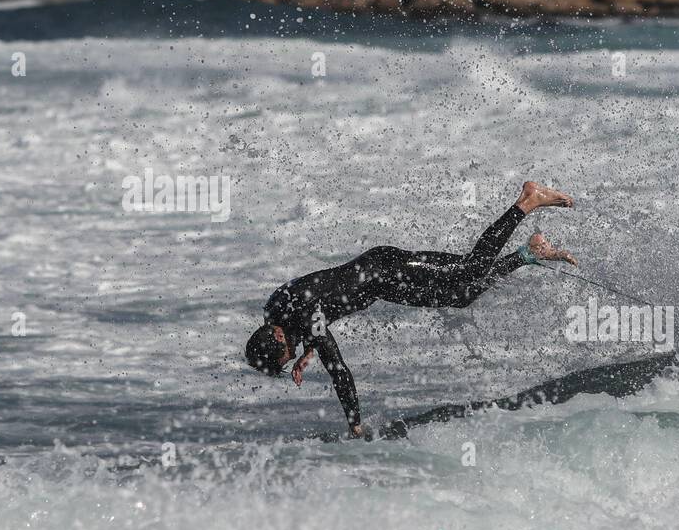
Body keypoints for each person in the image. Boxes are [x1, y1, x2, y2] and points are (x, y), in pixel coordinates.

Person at [245, 182, 577, 437]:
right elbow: (310, 308)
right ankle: (528, 253)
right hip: (384, 284)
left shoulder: (303, 317)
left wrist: (355, 425)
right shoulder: (276, 310)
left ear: (276, 335)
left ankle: (526, 201)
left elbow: (339, 371)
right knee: (461, 296)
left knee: (470, 270)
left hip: (388, 269)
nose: (289, 361)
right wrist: (306, 347)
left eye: (285, 356)